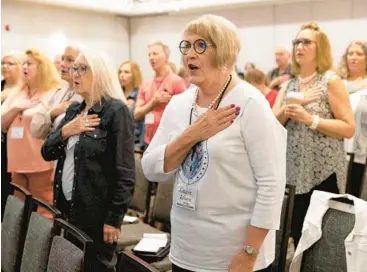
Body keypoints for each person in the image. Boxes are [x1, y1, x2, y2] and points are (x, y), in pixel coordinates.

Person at [142, 14, 286, 272]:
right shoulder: (179, 104)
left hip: (234, 256)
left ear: (225, 52)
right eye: (186, 46)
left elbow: (271, 185)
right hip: (186, 250)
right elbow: (151, 169)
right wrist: (191, 134)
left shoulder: (250, 104)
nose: (189, 55)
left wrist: (249, 253)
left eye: (201, 46)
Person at [41, 50, 135, 271]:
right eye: (75, 68)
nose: (76, 73)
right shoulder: (75, 109)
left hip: (96, 211)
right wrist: (66, 131)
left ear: (100, 73)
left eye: (83, 68)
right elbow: (47, 152)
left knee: (96, 266)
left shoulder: (115, 111)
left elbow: (125, 172)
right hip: (66, 208)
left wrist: (114, 219)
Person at [273, 22, 355, 247]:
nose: (300, 46)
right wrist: (292, 105)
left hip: (323, 171)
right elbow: (273, 125)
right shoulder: (288, 85)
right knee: (296, 233)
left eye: (306, 42)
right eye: (297, 42)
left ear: (320, 48)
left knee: (321, 242)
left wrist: (310, 119)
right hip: (293, 172)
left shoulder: (331, 81)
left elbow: (348, 127)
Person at [1, 49, 61, 218]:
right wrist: (16, 108)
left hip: (39, 160)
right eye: (24, 63)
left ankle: (42, 244)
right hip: (16, 159)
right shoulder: (18, 91)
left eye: (29, 63)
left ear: (41, 67)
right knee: (17, 208)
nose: (24, 67)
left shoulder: (52, 92)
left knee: (44, 207)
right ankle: (16, 243)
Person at [134, 41, 186, 149]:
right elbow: (136, 115)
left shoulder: (177, 82)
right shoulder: (145, 85)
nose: (151, 57)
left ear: (166, 56)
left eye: (155, 53)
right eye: (149, 55)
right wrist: (153, 103)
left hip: (170, 141)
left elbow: (185, 114)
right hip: (148, 141)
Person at [31, 45, 83, 140]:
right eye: (63, 59)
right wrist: (52, 113)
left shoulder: (88, 96)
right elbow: (35, 129)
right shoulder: (58, 90)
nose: (62, 64)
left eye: (70, 60)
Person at [338, 40, 367, 197]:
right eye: (351, 53)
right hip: (336, 153)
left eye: (359, 54)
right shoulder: (337, 83)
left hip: (360, 154)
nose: (354, 58)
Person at [1, 51, 26, 219]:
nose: (4, 67)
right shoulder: (2, 86)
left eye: (10, 63)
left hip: (17, 143)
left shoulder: (23, 89)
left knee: (11, 185)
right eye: (3, 63)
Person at [118, 60, 145, 152]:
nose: (122, 75)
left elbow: (142, 124)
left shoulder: (140, 95)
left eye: (126, 72)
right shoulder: (116, 94)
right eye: (120, 72)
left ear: (134, 75)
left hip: (134, 145)